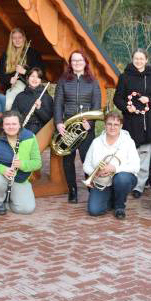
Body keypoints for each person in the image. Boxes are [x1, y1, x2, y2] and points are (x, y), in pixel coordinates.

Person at [54, 50, 101, 203]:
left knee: (87, 158)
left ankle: (90, 188)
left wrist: (91, 123)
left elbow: (96, 105)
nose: (77, 63)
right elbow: (58, 103)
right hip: (68, 126)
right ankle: (72, 190)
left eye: (80, 60)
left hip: (86, 127)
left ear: (85, 62)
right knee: (68, 160)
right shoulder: (63, 80)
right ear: (70, 63)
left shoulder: (93, 81)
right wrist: (59, 122)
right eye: (74, 61)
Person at [113, 49, 151, 198]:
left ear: (146, 60)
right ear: (132, 59)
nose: (139, 61)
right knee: (128, 155)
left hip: (147, 122)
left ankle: (139, 187)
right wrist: (127, 107)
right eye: (136, 58)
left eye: (141, 58)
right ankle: (127, 183)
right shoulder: (124, 77)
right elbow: (117, 98)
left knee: (145, 156)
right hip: (131, 122)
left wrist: (149, 100)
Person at [0, 110, 42, 215]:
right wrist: (2, 169)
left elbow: (37, 163)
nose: (11, 127)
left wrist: (22, 164)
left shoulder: (30, 137)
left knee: (27, 209)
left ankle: (8, 200)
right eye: (7, 124)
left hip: (19, 177)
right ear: (2, 126)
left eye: (14, 124)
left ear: (20, 125)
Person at [83, 111, 140, 219]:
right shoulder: (96, 142)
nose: (112, 127)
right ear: (105, 125)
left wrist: (115, 168)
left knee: (122, 178)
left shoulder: (128, 142)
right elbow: (86, 165)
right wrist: (94, 173)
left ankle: (119, 206)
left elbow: (136, 166)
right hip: (102, 181)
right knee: (94, 210)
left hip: (123, 179)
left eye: (116, 124)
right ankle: (111, 198)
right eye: (109, 124)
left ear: (121, 126)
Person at [0, 27, 43, 110]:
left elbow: (40, 73)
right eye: (14, 38)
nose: (17, 40)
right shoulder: (5, 55)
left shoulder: (33, 53)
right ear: (11, 40)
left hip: (28, 86)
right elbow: (1, 75)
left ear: (24, 38)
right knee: (8, 104)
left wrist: (25, 71)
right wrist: (9, 80)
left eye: (20, 37)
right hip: (11, 87)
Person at [12, 67, 53, 134]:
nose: (35, 79)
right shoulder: (20, 96)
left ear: (40, 81)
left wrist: (39, 109)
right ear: (27, 78)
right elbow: (13, 114)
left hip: (37, 132)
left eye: (38, 77)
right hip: (20, 128)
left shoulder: (46, 97)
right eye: (32, 76)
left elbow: (48, 121)